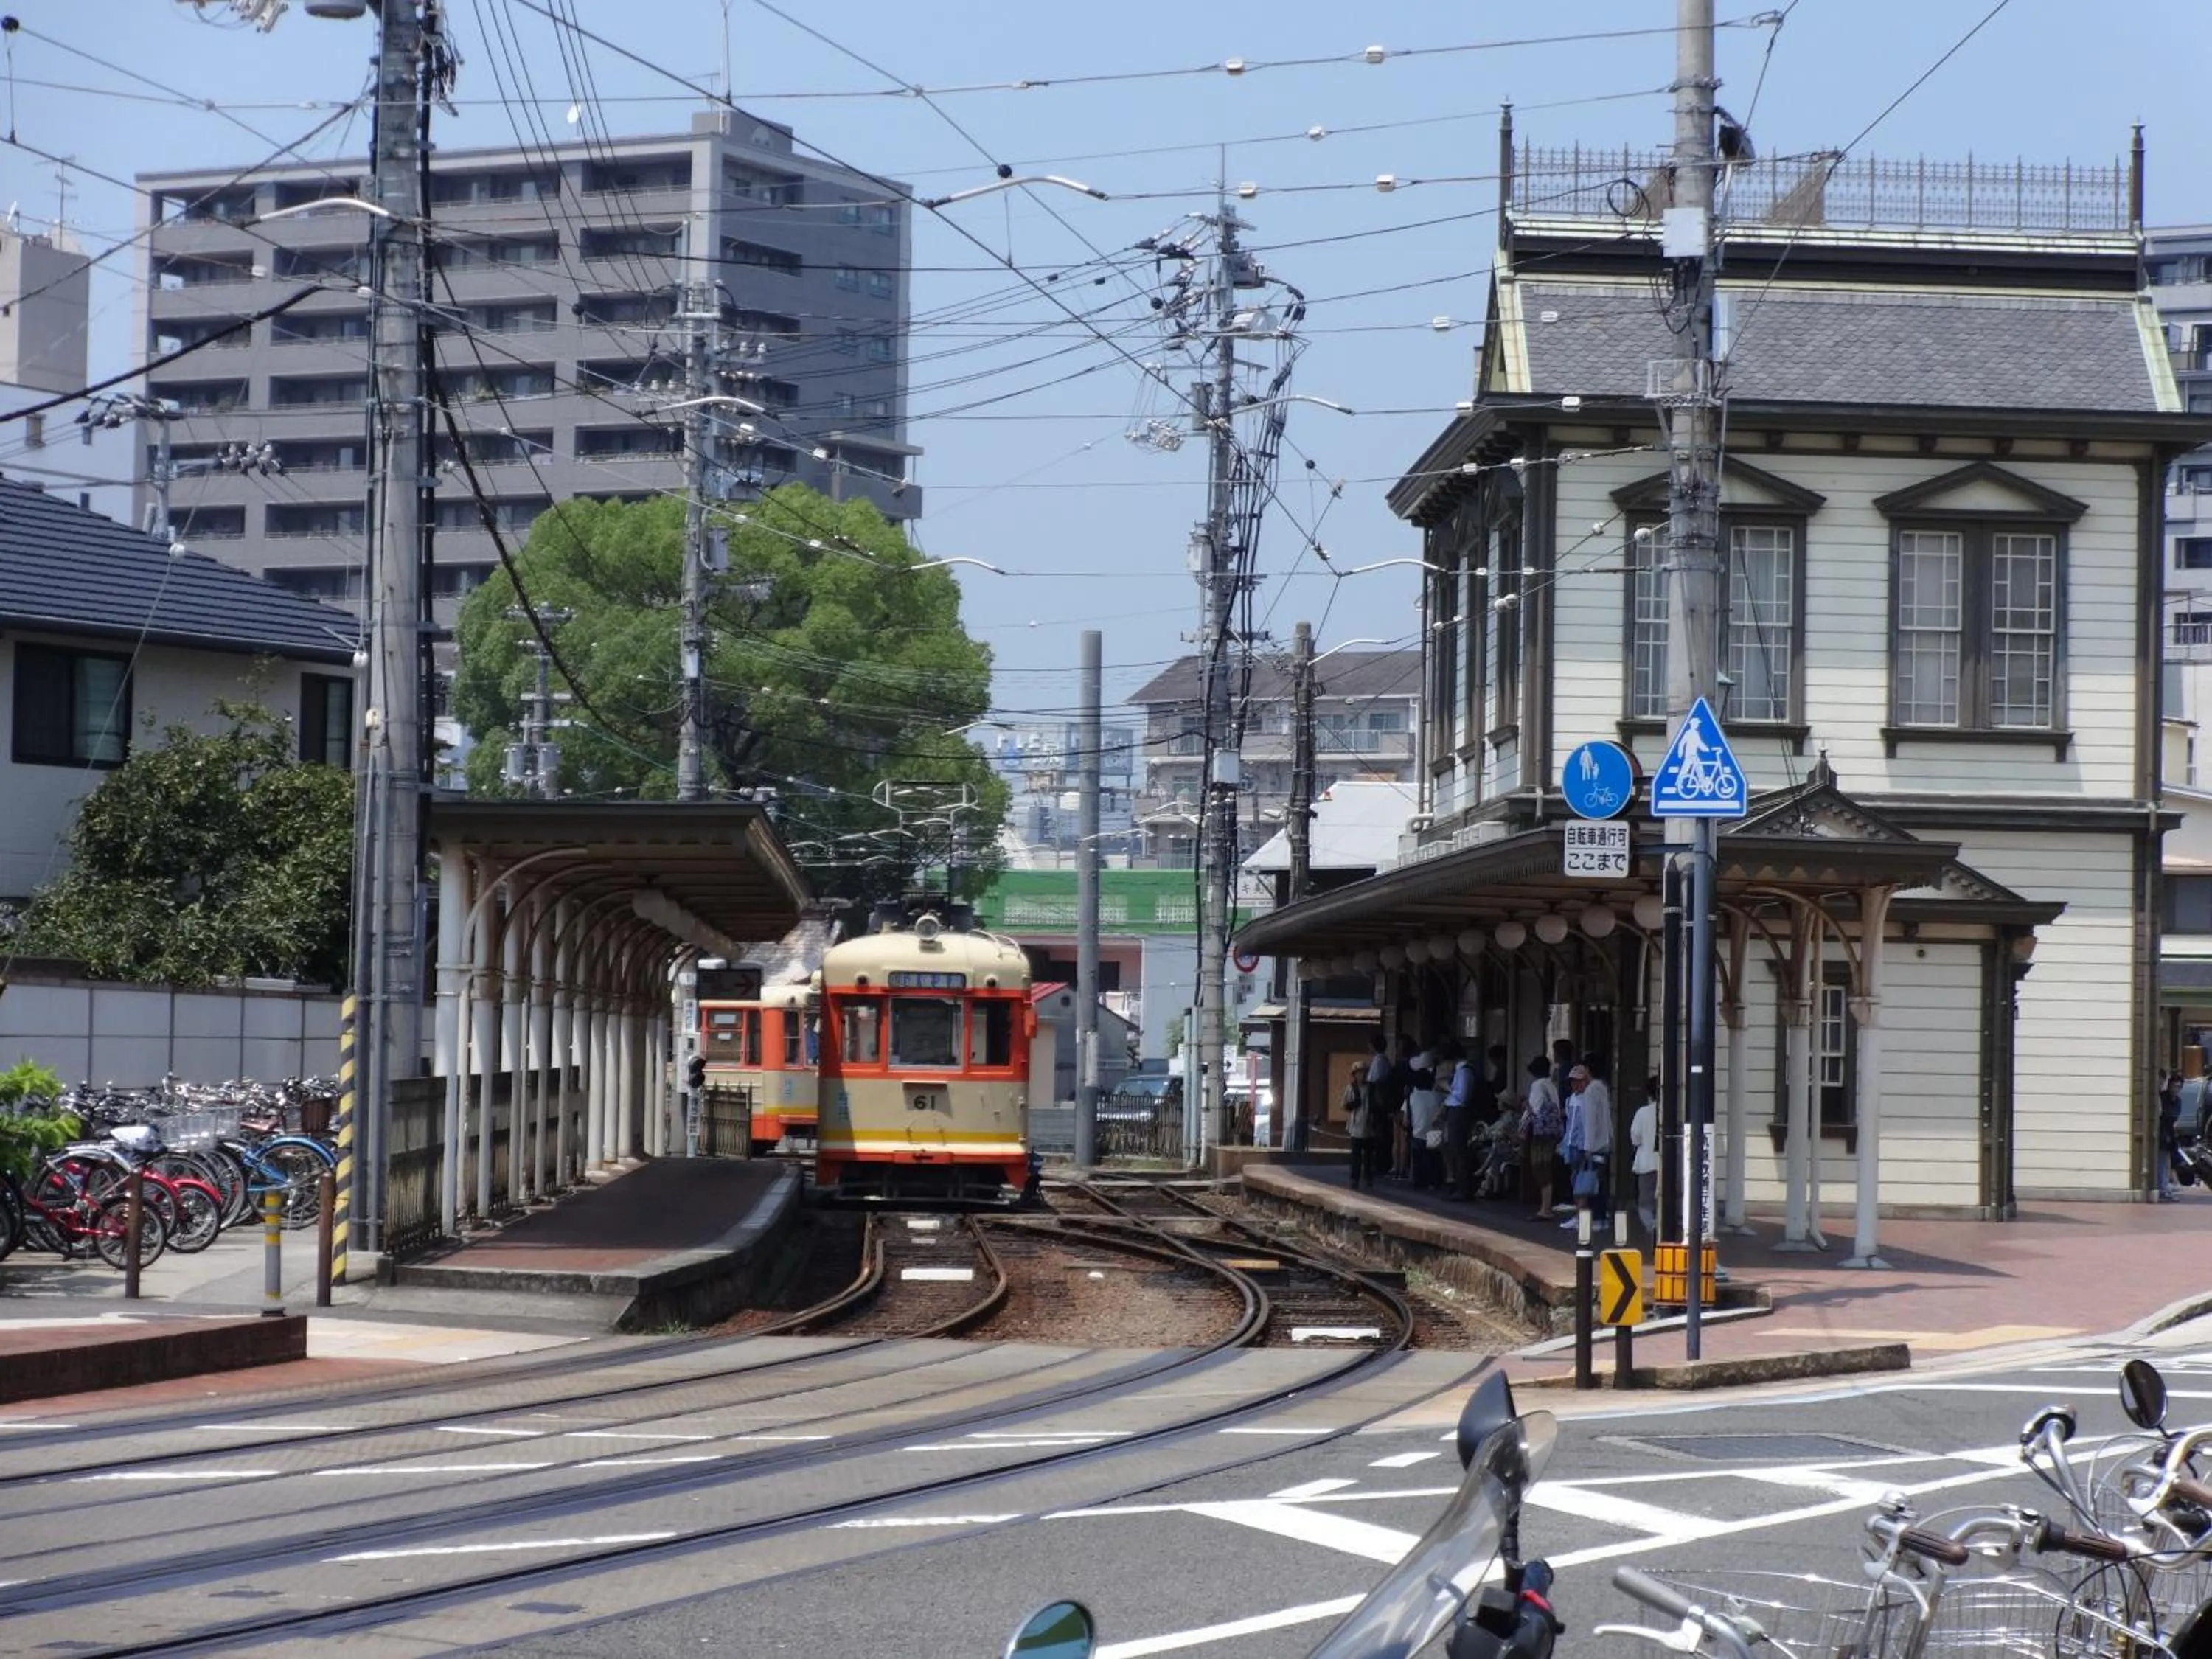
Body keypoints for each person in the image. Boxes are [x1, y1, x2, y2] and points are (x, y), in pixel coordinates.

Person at [1564, 1058, 1614, 1231]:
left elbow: (1590, 1121)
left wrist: (1588, 1146)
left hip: (1592, 1145)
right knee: (1596, 1182)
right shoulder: (1602, 1088)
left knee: (1587, 1183)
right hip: (1603, 1143)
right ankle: (1599, 1218)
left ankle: (1592, 1219)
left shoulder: (1591, 1092)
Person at [1523, 1055, 1562, 1222]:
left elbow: (1535, 1110)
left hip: (1540, 1132)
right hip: (1552, 1131)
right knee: (1547, 1166)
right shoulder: (1551, 1085)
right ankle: (1546, 1207)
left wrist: (1524, 1121)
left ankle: (1545, 1208)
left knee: (1540, 1167)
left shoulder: (1538, 1086)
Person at [1629, 1074, 1661, 1239]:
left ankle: (1652, 1227)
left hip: (1646, 1163)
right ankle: (1662, 1226)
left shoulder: (1642, 1112)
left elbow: (1635, 1137)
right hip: (1666, 1165)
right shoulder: (1672, 1110)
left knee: (1645, 1202)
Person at [1441, 1043, 1475, 1200]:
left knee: (1459, 1151)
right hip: (1455, 1111)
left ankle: (1464, 1189)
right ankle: (1461, 1187)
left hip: (1459, 1112)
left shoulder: (1464, 1072)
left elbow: (1462, 1096)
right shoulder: (1461, 1071)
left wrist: (1447, 1087)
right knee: (1455, 1150)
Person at [1406, 1040, 1442, 1189]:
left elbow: (1406, 1117)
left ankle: (1419, 1182)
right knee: (1433, 1158)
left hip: (1418, 1132)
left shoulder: (1413, 1097)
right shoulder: (1437, 1095)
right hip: (1434, 1132)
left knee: (1419, 1158)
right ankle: (1434, 1182)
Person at [1344, 1072, 1377, 1190]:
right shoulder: (1351, 1088)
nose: (1362, 1076)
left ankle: (1368, 1178)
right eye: (1359, 1073)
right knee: (1356, 1156)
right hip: (1356, 1126)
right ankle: (1355, 1179)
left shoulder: (1371, 1088)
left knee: (1369, 1156)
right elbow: (1345, 1105)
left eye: (1364, 1072)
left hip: (1369, 1126)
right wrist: (1353, 1104)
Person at [2159, 1071, 2186, 1203]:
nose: (2176, 1089)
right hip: (2162, 1134)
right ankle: (2162, 1188)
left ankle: (2165, 1186)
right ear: (2169, 1086)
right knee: (2162, 1162)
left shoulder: (2178, 1101)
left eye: (2179, 1087)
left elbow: (2175, 1116)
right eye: (2174, 1086)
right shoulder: (2163, 1098)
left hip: (2171, 1136)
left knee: (2168, 1162)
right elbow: (2165, 1116)